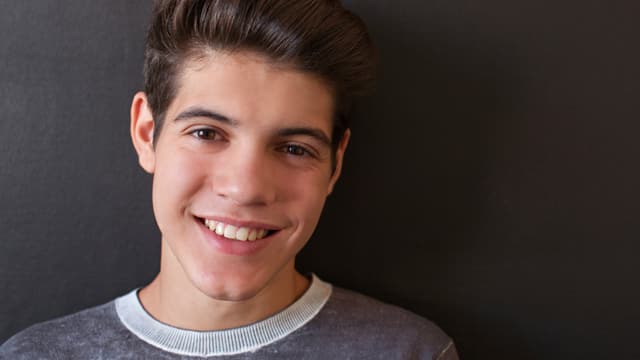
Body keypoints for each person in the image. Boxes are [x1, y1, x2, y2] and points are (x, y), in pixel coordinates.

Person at [0, 1, 458, 358]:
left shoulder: (408, 352)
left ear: (335, 165)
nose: (246, 188)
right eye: (206, 133)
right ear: (147, 133)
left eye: (295, 148)